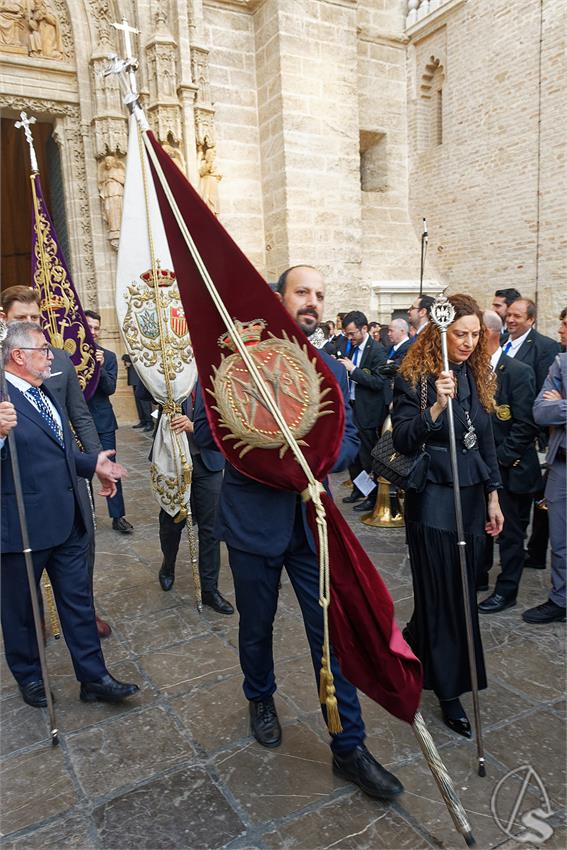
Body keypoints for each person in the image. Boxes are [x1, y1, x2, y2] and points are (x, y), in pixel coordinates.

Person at [194, 264, 404, 801]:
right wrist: (270, 458)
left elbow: (352, 436)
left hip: (314, 526)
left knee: (330, 633)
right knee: (256, 625)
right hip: (253, 524)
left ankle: (348, 745)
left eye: (319, 295)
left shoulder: (331, 366)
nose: (311, 302)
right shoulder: (234, 365)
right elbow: (211, 434)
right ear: (278, 299)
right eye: (302, 292)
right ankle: (259, 696)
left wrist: (325, 458)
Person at [0, 322, 139, 707]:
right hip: (22, 528)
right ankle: (30, 677)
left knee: (78, 603)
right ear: (18, 356)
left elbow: (56, 451)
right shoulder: (2, 399)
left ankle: (93, 678)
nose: (51, 356)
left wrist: (91, 465)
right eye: (43, 350)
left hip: (67, 519)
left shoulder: (45, 393)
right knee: (22, 611)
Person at [392, 294, 504, 738]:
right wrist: (435, 408)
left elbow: (487, 438)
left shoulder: (478, 374)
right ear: (440, 332)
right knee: (445, 596)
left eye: (475, 335)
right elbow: (401, 439)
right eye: (460, 334)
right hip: (433, 498)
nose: (468, 342)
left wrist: (494, 496)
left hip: (473, 497)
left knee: (459, 590)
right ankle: (450, 691)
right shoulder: (415, 376)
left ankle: (411, 645)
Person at [0, 286, 111, 638]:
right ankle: (36, 624)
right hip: (19, 479)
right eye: (22, 318)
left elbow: (80, 414)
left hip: (68, 471)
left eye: (35, 317)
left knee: (82, 546)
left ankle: (83, 614)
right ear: (5, 319)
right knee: (26, 565)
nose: (30, 322)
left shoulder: (58, 359)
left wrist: (95, 461)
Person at [477, 311, 541, 611]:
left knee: (511, 533)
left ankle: (507, 589)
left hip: (510, 469)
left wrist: (499, 461)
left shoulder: (517, 371)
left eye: (474, 333)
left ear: (489, 333)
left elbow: (526, 424)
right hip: (482, 468)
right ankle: (479, 576)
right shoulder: (473, 371)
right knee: (482, 526)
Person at [156, 388, 234, 615]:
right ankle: (168, 564)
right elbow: (142, 392)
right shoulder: (164, 360)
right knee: (171, 521)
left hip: (208, 460)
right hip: (172, 459)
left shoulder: (212, 367)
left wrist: (196, 427)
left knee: (211, 528)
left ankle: (210, 590)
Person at [504, 299, 561, 571]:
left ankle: (536, 551)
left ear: (531, 320)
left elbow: (542, 395)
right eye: (509, 314)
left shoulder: (545, 347)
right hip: (508, 432)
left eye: (517, 316)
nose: (511, 319)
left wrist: (553, 407)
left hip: (537, 435)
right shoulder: (504, 342)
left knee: (539, 501)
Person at [522, 349, 566, 625]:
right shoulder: (562, 363)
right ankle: (561, 600)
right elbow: (540, 411)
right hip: (562, 465)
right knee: (561, 541)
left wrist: (561, 404)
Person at [85, 310, 134, 534]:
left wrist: (101, 367)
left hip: (103, 421)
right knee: (82, 473)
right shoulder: (68, 356)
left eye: (96, 328)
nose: (93, 332)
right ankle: (87, 517)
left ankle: (118, 516)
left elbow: (110, 388)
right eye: (89, 327)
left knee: (111, 468)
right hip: (78, 424)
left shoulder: (109, 357)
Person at [339, 310, 388, 513]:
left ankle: (373, 495)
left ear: (364, 329)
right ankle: (359, 489)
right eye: (347, 334)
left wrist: (353, 371)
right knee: (354, 456)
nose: (349, 338)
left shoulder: (377, 350)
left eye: (352, 334)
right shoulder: (353, 348)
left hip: (368, 412)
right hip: (352, 407)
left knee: (367, 456)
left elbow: (379, 382)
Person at [122, 352, 153, 431]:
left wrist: (127, 358)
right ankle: (143, 420)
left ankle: (149, 422)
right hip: (133, 373)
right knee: (138, 400)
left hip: (140, 373)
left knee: (144, 401)